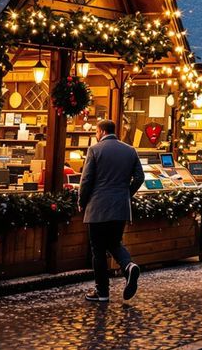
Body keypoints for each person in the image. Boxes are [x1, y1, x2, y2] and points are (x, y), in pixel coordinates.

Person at [78, 119, 144, 303]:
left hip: (97, 207)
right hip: (120, 207)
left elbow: (86, 180)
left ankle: (102, 292)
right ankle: (128, 266)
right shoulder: (130, 150)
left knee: (98, 249)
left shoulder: (95, 150)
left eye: (96, 132)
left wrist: (82, 202)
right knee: (114, 242)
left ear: (100, 131)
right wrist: (126, 193)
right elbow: (140, 177)